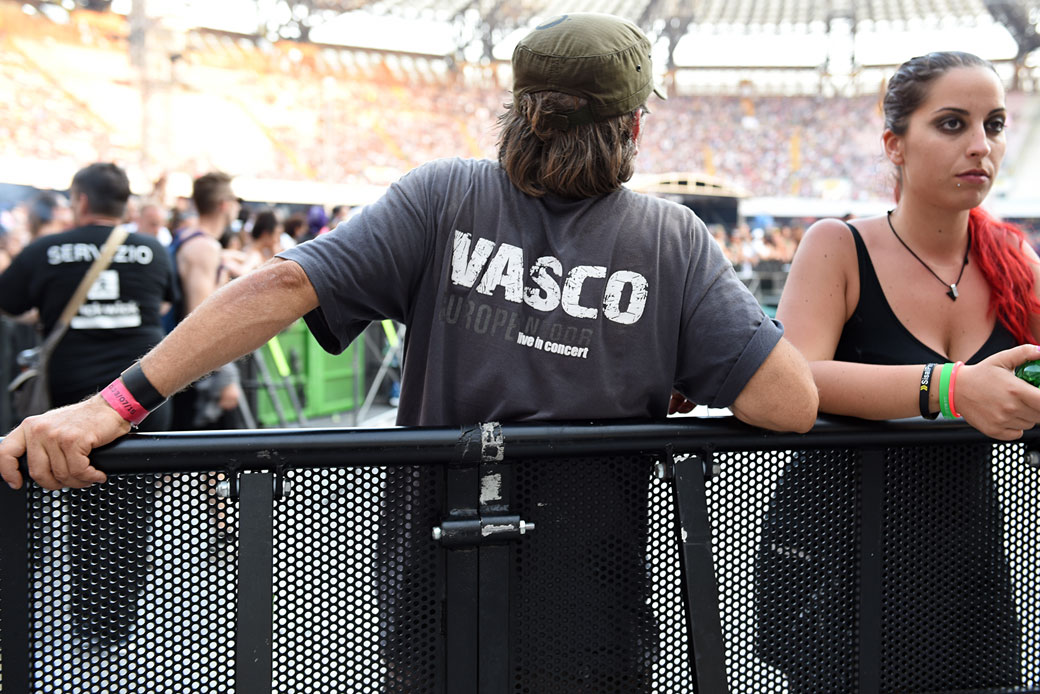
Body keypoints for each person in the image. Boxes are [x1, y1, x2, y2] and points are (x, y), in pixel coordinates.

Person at [0, 13, 817, 690]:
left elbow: (280, 287)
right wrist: (672, 365)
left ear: (518, 111)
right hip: (592, 603)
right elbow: (788, 403)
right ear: (634, 126)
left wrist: (113, 405)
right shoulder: (672, 239)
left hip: (435, 580)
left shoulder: (443, 195)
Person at [756, 51, 1040, 692]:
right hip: (839, 562)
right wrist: (951, 388)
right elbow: (795, 378)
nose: (981, 145)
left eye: (995, 125)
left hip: (967, 570)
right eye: (952, 124)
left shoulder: (1014, 260)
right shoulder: (837, 244)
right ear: (895, 144)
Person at [0, 162, 175, 649]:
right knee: (135, 509)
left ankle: (92, 620)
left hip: (74, 401)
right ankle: (118, 618)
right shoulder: (153, 249)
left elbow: (9, 302)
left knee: (83, 507)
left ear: (79, 200)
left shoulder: (46, 249)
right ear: (124, 203)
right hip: (141, 397)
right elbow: (167, 304)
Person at [165, 171, 243, 429]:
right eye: (235, 200)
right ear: (224, 205)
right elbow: (200, 318)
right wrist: (226, 376)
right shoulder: (204, 247)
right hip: (197, 375)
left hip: (187, 368)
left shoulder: (192, 238)